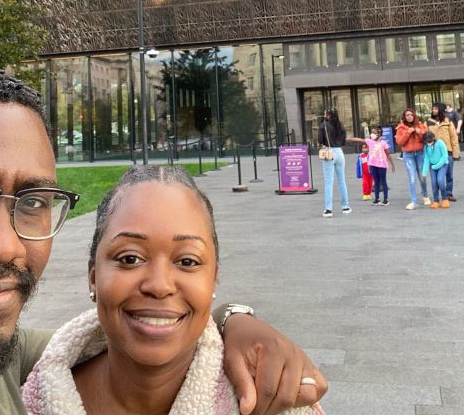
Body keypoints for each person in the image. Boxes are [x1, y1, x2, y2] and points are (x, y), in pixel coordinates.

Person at [0, 68, 327, 414]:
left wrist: (234, 318)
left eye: (34, 201)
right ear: (92, 273)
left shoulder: (8, 361)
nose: (5, 246)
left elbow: (131, 339)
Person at [22, 166, 326, 415]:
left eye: (188, 261)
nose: (159, 285)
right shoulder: (23, 398)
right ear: (93, 276)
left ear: (214, 279)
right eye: (130, 258)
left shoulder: (271, 400)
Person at [348, 126, 395, 206]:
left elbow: (388, 154)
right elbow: (359, 140)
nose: (372, 134)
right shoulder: (369, 141)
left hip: (382, 165)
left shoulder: (383, 143)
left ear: (379, 134)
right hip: (372, 165)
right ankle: (377, 199)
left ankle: (385, 199)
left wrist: (392, 164)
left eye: (374, 133)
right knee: (376, 182)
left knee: (383, 182)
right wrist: (349, 139)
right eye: (371, 132)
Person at [317, 108, 351, 218]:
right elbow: (343, 140)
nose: (324, 114)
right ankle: (345, 206)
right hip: (339, 152)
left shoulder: (324, 125)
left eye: (325, 113)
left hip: (329, 152)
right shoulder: (340, 125)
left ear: (328, 115)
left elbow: (320, 140)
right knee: (342, 181)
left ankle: (328, 209)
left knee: (328, 182)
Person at [395, 109, 430, 210]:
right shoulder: (401, 128)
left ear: (414, 116)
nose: (409, 116)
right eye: (407, 115)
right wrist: (408, 133)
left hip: (420, 154)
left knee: (422, 176)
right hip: (408, 155)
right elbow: (400, 142)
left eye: (411, 115)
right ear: (404, 117)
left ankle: (425, 195)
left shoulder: (419, 125)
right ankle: (414, 201)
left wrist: (418, 131)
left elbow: (426, 135)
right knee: (412, 178)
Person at [426, 103, 459, 203]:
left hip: (448, 152)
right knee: (436, 177)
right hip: (434, 153)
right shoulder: (428, 122)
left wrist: (455, 153)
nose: (434, 110)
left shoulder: (448, 122)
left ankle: (449, 193)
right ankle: (439, 195)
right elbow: (424, 137)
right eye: (433, 109)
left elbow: (454, 137)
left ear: (440, 110)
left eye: (436, 109)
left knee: (449, 175)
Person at [421, 130, 449, 209]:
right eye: (427, 141)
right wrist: (424, 172)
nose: (429, 143)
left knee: (440, 180)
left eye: (430, 141)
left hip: (443, 165)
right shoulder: (426, 147)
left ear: (433, 138)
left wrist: (436, 166)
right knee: (434, 183)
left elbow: (444, 156)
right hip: (433, 166)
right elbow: (426, 159)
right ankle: (436, 201)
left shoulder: (440, 143)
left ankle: (445, 198)